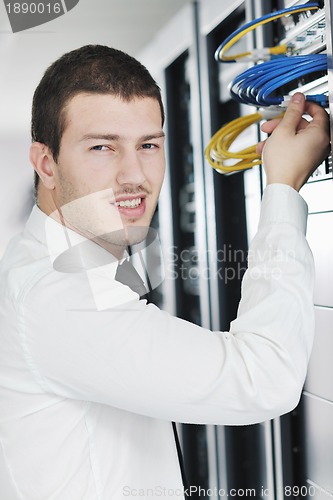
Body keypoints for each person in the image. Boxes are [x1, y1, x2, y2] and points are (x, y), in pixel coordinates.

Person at [0, 44, 329, 500]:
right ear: (46, 163)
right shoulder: (59, 295)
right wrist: (283, 189)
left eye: (148, 145)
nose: (133, 174)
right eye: (102, 147)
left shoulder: (58, 260)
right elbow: (264, 379)